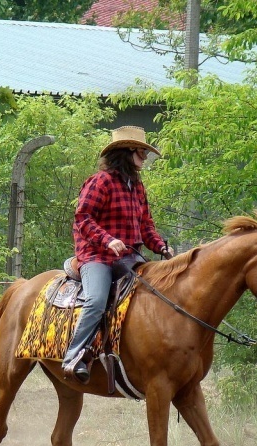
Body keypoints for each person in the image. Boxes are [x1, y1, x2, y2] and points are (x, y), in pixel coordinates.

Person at [62, 125, 174, 384]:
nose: (145, 157)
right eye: (141, 152)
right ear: (127, 152)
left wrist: (161, 247)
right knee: (96, 301)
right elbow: (83, 217)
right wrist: (107, 240)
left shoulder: (137, 186)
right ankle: (74, 356)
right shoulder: (100, 181)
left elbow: (147, 226)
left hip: (130, 258)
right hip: (96, 257)